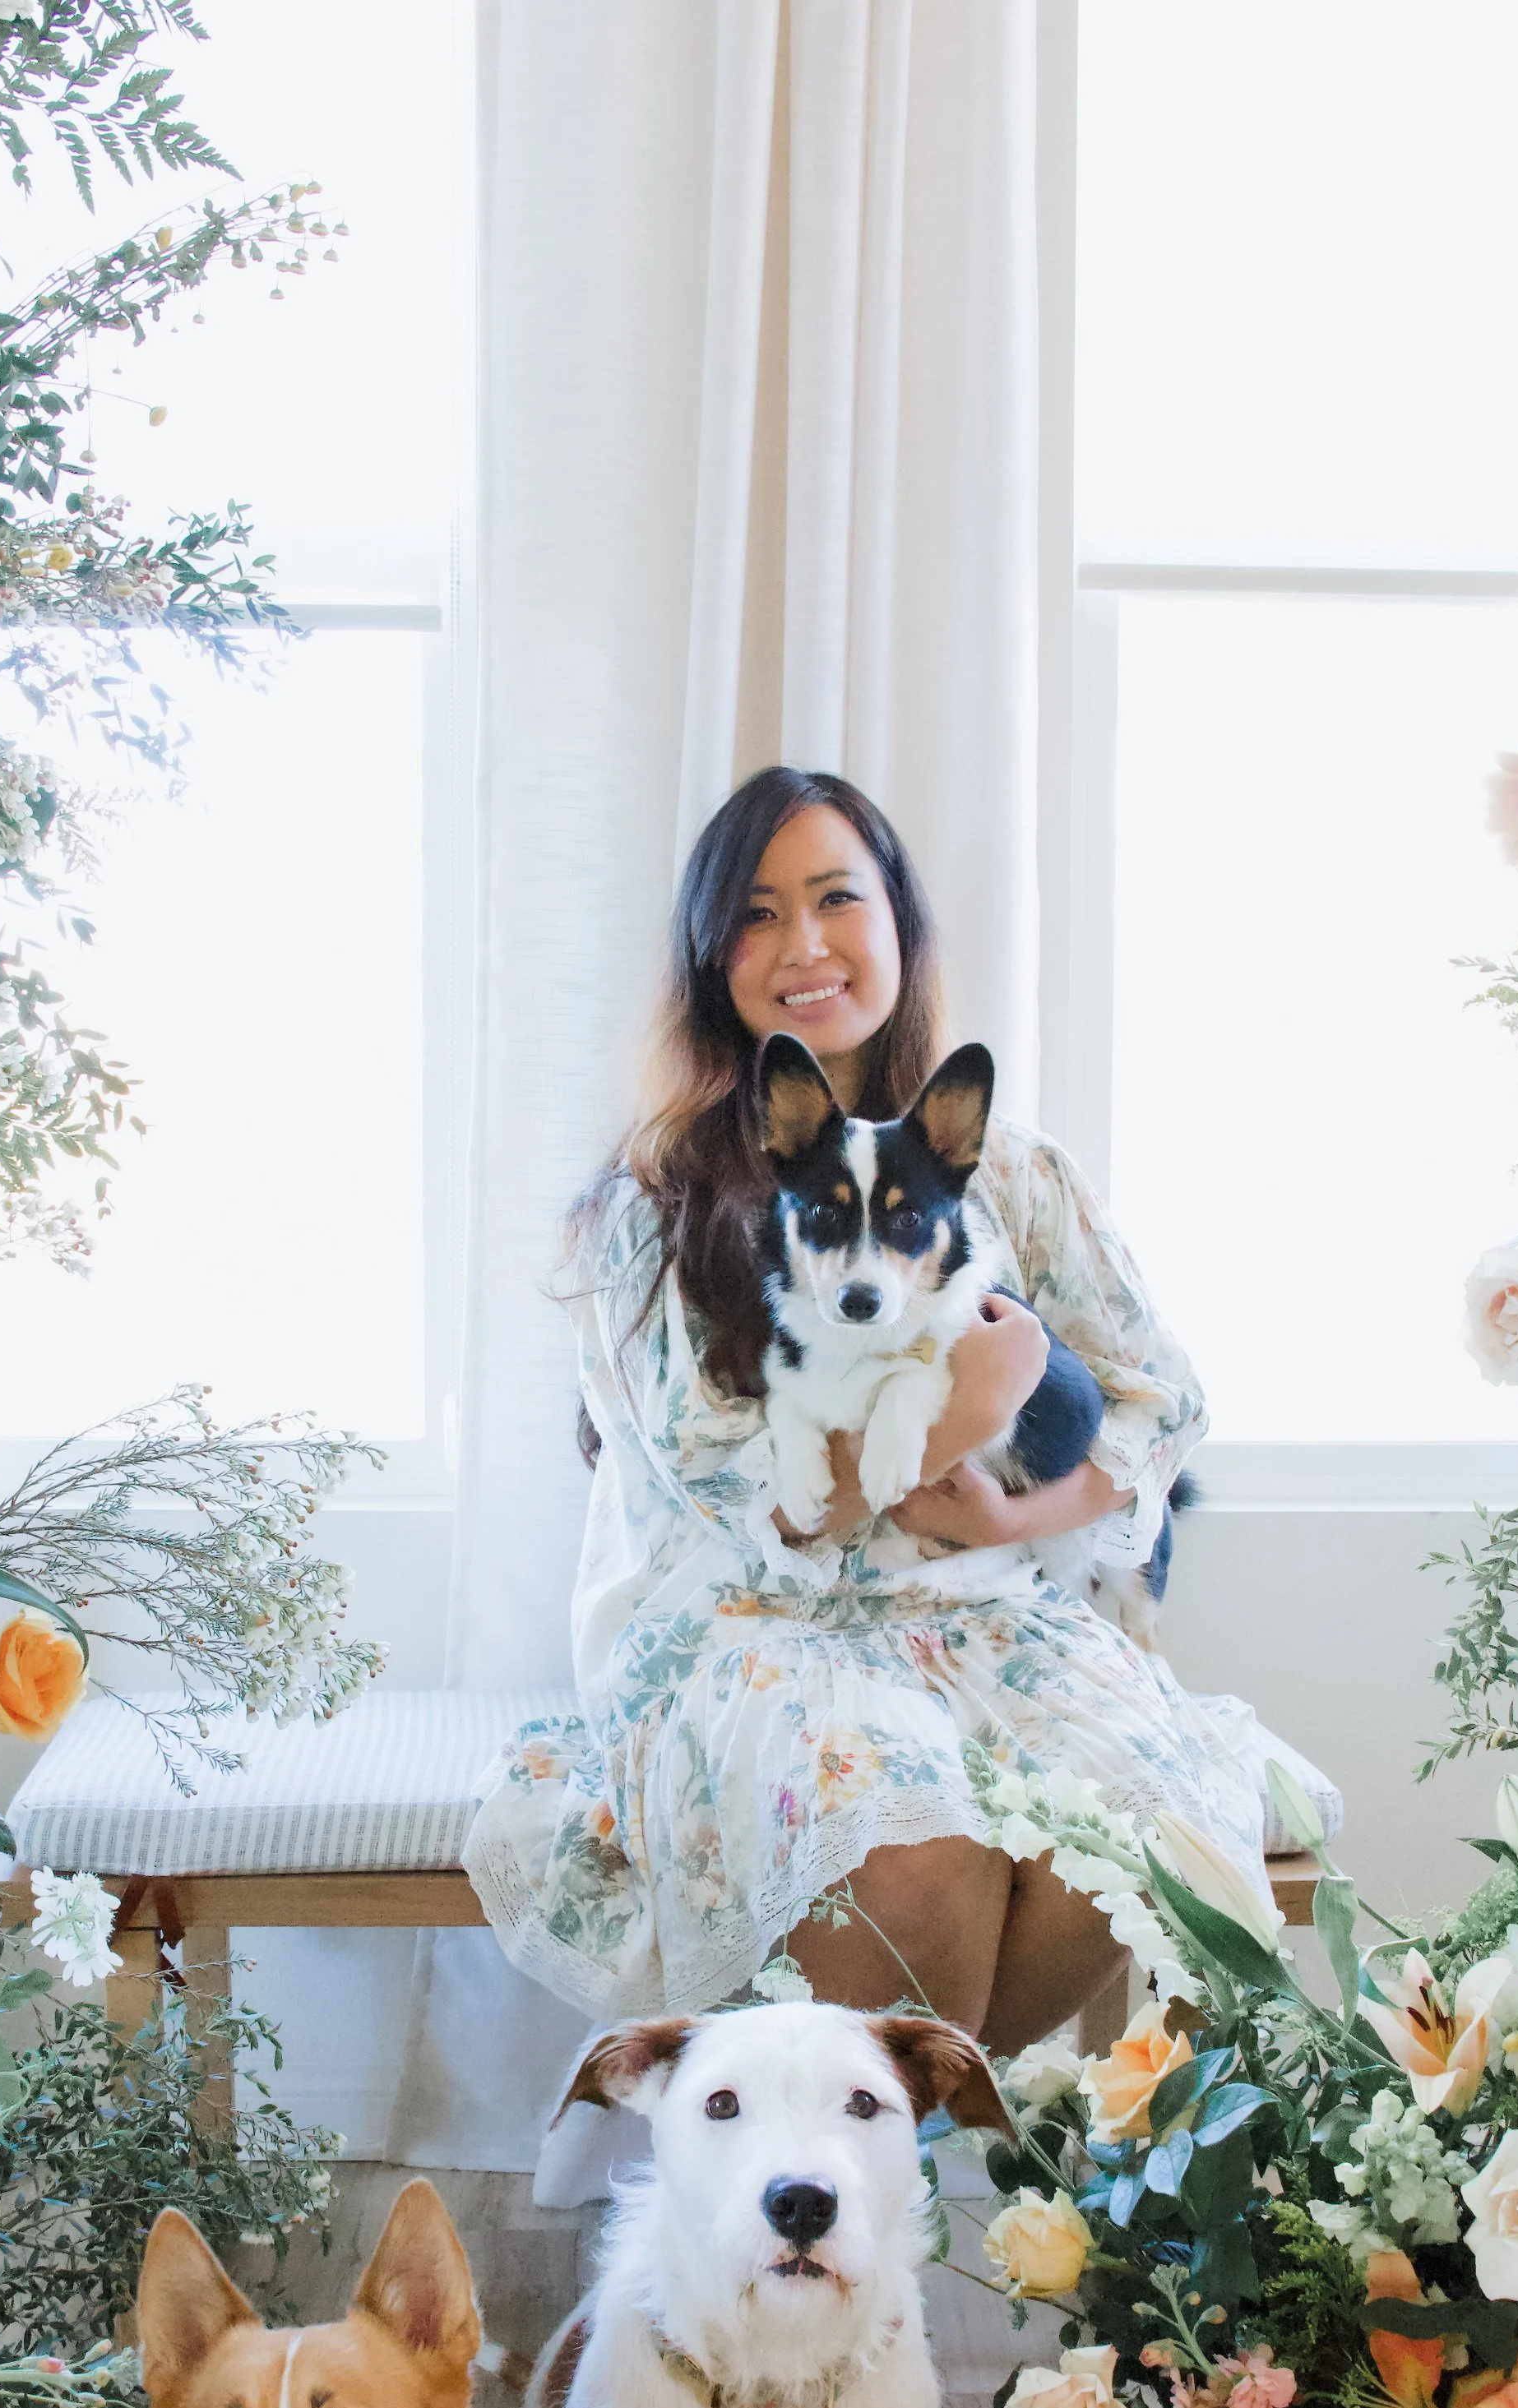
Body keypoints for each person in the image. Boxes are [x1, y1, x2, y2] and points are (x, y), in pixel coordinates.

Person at [464, 766, 1266, 2053]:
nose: (806, 946)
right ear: (708, 956)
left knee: (1139, 1837)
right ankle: (872, 2171)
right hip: (767, 1631)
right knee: (913, 1842)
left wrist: (1026, 1515)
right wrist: (972, 1402)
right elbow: (757, 1508)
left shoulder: (1010, 1170)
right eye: (759, 914)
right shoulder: (654, 1204)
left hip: (990, 1623)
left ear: (900, 924)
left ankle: (924, 2173)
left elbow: (1163, 1398)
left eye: (838, 898)